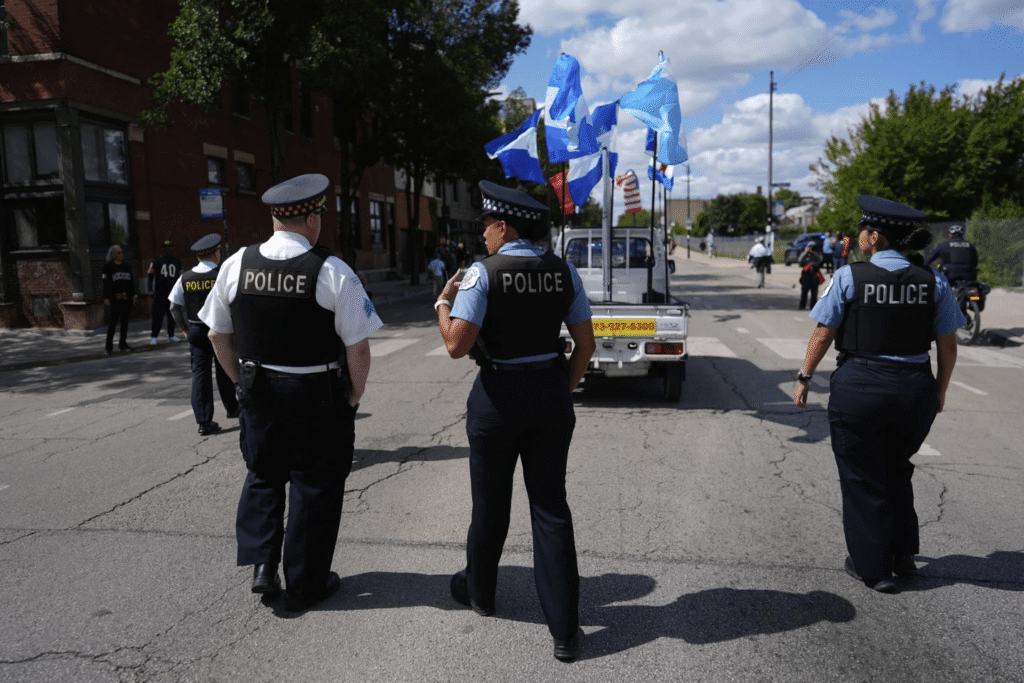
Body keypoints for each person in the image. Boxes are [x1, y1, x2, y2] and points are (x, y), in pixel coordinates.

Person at [199, 173, 382, 612]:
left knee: (263, 475)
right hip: (315, 395)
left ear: (276, 217)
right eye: (320, 214)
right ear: (312, 219)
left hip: (258, 391)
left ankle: (263, 565)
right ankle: (304, 583)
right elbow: (358, 346)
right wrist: (354, 397)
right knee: (313, 485)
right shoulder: (332, 270)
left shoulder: (235, 264)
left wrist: (239, 383)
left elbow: (215, 335)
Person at [435, 181, 596, 662]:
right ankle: (565, 630)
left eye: (486, 226)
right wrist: (559, 391)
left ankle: (482, 594)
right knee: (551, 509)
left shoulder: (483, 275)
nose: (483, 235)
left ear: (503, 226)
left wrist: (443, 304)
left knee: (489, 504)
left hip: (497, 398)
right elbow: (585, 345)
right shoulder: (564, 271)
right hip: (548, 392)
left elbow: (456, 345)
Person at [793, 195, 966, 594]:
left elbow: (823, 332)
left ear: (873, 237)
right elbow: (948, 345)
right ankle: (903, 555)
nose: (857, 239)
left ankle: (874, 568)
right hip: (914, 389)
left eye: (861, 233)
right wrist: (939, 392)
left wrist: (805, 376)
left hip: (862, 387)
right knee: (896, 468)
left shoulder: (850, 277)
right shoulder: (933, 280)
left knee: (862, 476)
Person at [168, 233, 239, 436]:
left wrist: (184, 329)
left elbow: (174, 307)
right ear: (216, 253)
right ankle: (232, 408)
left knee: (200, 375)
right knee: (226, 369)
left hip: (197, 331)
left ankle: (204, 422)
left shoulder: (185, 277)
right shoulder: (222, 275)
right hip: (221, 330)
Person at [147, 240, 183, 346]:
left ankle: (171, 335)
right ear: (163, 249)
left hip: (173, 293)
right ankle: (154, 337)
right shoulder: (157, 261)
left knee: (172, 315)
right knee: (158, 316)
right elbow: (149, 276)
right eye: (166, 248)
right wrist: (149, 289)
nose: (168, 250)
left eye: (170, 247)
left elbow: (182, 277)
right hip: (160, 293)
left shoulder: (177, 261)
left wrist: (181, 290)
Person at [102, 244, 135, 355]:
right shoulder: (108, 267)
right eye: (119, 252)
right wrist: (106, 297)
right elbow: (105, 284)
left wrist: (133, 295)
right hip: (115, 299)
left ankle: (123, 344)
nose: (122, 254)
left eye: (122, 252)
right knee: (113, 323)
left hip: (126, 298)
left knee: (124, 323)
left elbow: (131, 282)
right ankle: (108, 347)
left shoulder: (127, 266)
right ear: (113, 254)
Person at [798, 244, 823, 309]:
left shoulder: (817, 254)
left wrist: (815, 254)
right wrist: (805, 253)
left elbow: (821, 261)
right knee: (804, 290)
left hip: (814, 273)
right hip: (806, 273)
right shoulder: (805, 254)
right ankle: (802, 305)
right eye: (810, 248)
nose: (811, 249)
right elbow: (800, 261)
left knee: (814, 291)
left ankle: (813, 306)